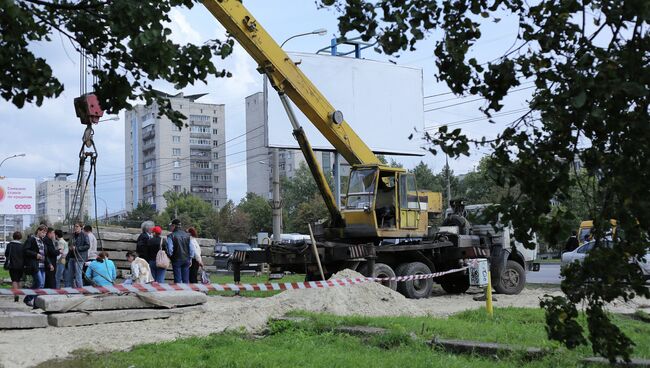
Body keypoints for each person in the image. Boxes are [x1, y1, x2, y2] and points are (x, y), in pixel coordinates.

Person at [23, 225, 47, 306]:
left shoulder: (43, 241)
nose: (44, 234)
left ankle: (36, 304)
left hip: (43, 265)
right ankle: (28, 299)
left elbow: (45, 253)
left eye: (45, 233)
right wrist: (35, 254)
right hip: (35, 265)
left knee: (42, 284)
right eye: (43, 232)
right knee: (39, 283)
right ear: (38, 231)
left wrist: (49, 263)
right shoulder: (31, 239)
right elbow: (25, 250)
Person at [166, 219, 194, 283]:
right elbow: (192, 249)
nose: (171, 227)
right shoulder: (187, 235)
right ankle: (186, 292)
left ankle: (179, 292)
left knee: (178, 280)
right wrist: (190, 258)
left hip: (176, 259)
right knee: (186, 279)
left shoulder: (171, 236)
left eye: (171, 226)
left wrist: (170, 256)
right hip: (186, 259)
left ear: (174, 226)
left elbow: (170, 249)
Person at [65, 222, 90, 288]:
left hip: (79, 257)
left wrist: (77, 248)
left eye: (77, 226)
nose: (75, 228)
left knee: (78, 275)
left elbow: (87, 246)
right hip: (71, 257)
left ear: (81, 227)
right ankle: (70, 289)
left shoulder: (84, 235)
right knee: (70, 275)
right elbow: (69, 243)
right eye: (75, 226)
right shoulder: (72, 235)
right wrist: (70, 246)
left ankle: (80, 289)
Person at [4, 231, 24, 302]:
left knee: (14, 280)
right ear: (20, 237)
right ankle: (18, 292)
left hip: (12, 265)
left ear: (13, 236)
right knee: (19, 280)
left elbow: (6, 254)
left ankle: (16, 295)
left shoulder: (10, 245)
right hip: (21, 265)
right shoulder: (22, 246)